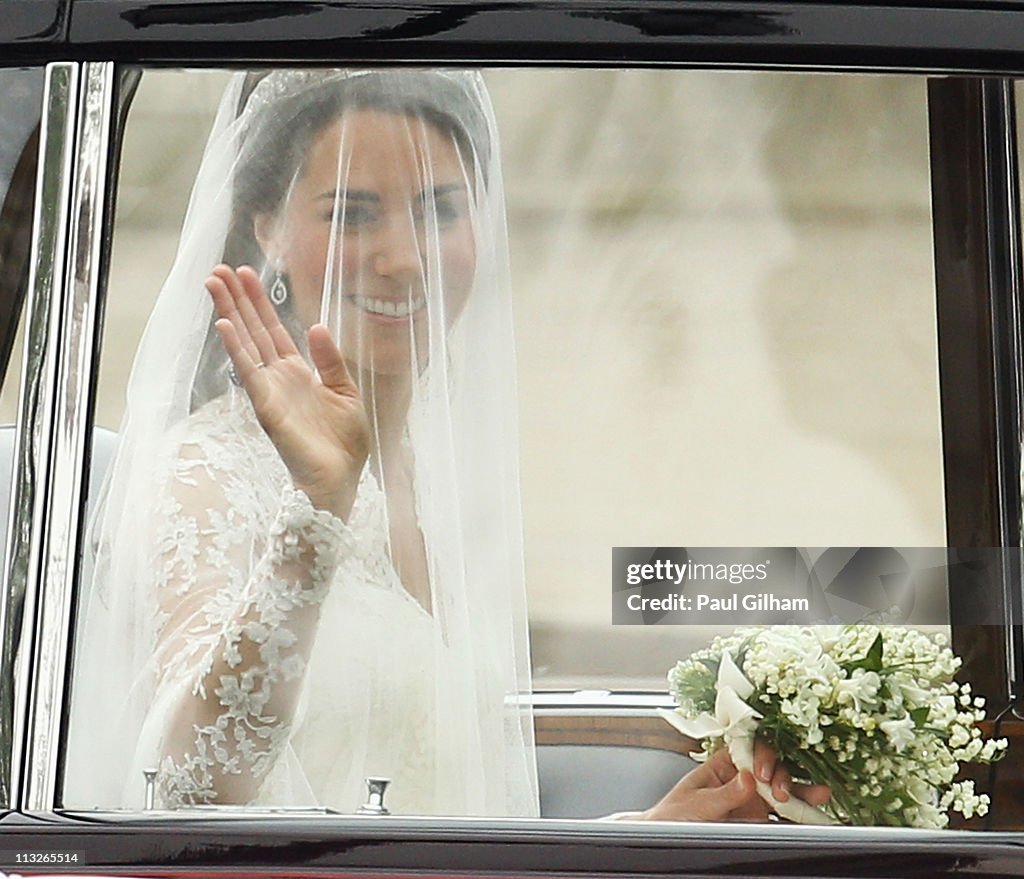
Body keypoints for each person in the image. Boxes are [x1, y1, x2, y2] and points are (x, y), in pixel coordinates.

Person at [64, 68, 828, 821]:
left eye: (438, 210)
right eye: (353, 214)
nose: (405, 257)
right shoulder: (204, 476)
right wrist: (314, 518)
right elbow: (187, 787)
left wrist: (641, 837)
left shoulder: (444, 487)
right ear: (267, 228)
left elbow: (450, 807)